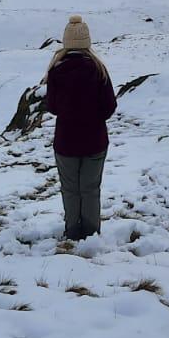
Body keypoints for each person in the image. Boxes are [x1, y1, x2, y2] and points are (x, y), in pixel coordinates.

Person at [44, 14, 117, 240]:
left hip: (66, 142)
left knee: (70, 190)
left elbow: (52, 107)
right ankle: (91, 234)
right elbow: (109, 106)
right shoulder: (99, 69)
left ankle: (72, 231)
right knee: (90, 189)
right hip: (95, 141)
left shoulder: (56, 71)